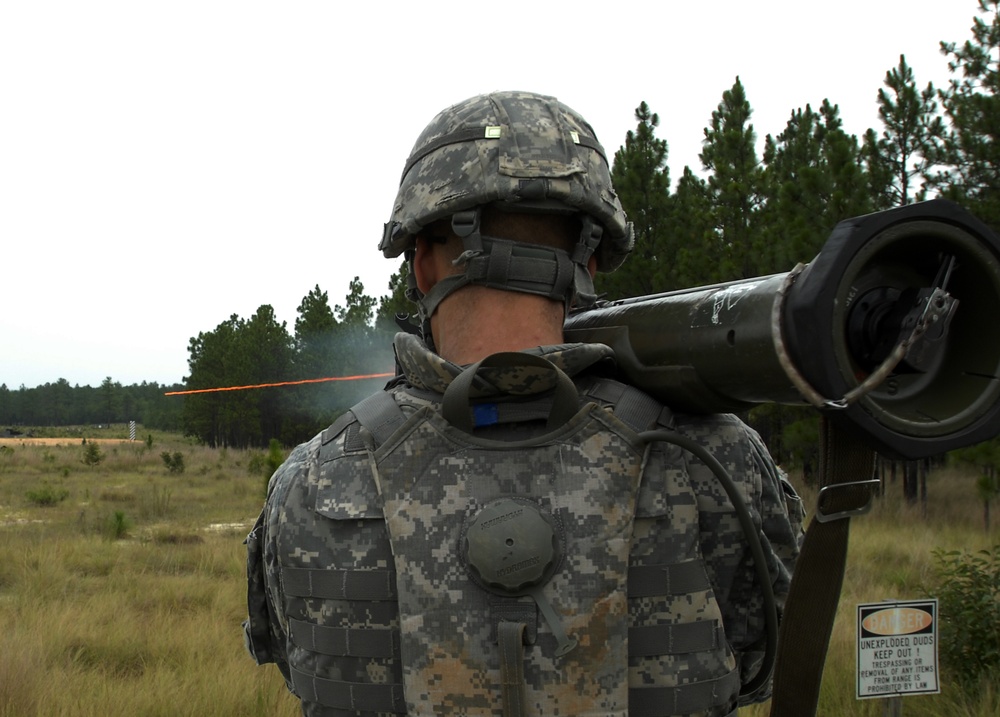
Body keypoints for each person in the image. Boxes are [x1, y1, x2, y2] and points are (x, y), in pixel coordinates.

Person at [244, 90, 803, 716]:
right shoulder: (719, 461)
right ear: (589, 258)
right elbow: (762, 660)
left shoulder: (309, 485)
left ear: (423, 265)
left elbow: (299, 666)